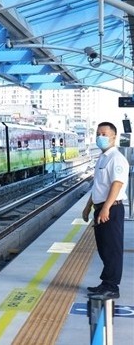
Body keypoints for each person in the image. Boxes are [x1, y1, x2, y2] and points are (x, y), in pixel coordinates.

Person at [82, 122, 128, 300]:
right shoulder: (102, 158)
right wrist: (88, 207)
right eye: (98, 133)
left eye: (104, 134)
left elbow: (117, 184)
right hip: (101, 208)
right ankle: (106, 283)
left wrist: (106, 208)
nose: (99, 137)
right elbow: (98, 187)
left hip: (111, 209)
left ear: (113, 137)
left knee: (112, 249)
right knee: (104, 248)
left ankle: (112, 287)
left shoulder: (116, 158)